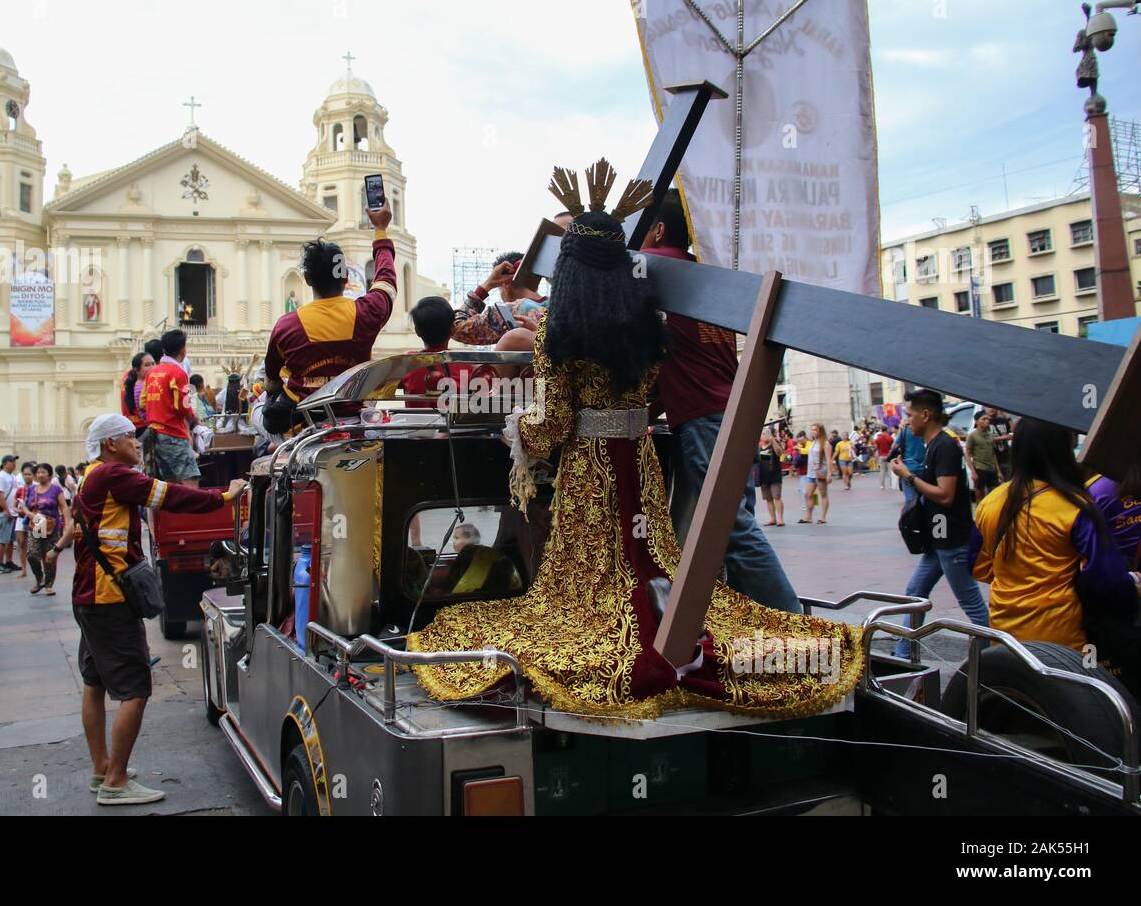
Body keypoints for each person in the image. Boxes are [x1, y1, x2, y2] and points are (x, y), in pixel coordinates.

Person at [409, 172, 858, 718]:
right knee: (648, 559)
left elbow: (552, 423)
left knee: (591, 579)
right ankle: (678, 622)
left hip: (590, 468)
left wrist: (519, 434)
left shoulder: (559, 330)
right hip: (639, 461)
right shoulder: (648, 323)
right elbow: (650, 401)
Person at [47, 414, 244, 805]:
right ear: (109, 445)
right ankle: (116, 783)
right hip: (110, 601)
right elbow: (171, 496)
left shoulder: (90, 476)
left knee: (95, 682)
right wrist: (225, 495)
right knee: (135, 689)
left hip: (88, 596)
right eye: (129, 438)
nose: (138, 443)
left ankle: (103, 767)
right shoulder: (115, 476)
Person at [642, 189, 802, 612]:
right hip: (733, 411)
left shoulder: (658, 269)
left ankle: (794, 621)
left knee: (729, 527)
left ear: (658, 230)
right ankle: (758, 621)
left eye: (640, 229)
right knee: (735, 524)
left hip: (704, 418)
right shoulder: (705, 274)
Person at [971, 418, 1141, 692]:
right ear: (1064, 449)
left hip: (1007, 637)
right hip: (1067, 643)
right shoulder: (1075, 505)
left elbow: (977, 567)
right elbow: (1106, 581)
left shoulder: (989, 503)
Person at [263, 200, 397, 435]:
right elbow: (386, 281)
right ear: (346, 278)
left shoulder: (286, 326)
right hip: (354, 415)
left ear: (307, 280)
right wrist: (380, 231)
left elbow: (271, 381)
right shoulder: (366, 313)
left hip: (303, 422)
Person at [889, 389, 987, 658]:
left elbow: (945, 495)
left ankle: (993, 659)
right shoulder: (932, 445)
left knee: (972, 604)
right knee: (915, 591)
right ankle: (904, 653)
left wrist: (908, 476)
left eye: (909, 415)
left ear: (926, 414)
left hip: (952, 541)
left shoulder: (944, 446)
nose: (907, 421)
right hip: (938, 538)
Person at [450, 251, 548, 347]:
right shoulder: (559, 306)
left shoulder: (508, 312)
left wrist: (486, 286)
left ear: (505, 285)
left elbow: (456, 328)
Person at [142, 329, 200, 485]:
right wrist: (194, 417)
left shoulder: (152, 373)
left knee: (170, 483)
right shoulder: (179, 373)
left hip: (154, 434)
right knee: (191, 480)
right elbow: (183, 407)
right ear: (183, 350)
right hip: (172, 432)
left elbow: (143, 402)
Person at [23, 463, 69, 595]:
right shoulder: (32, 489)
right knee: (32, 553)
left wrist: (67, 524)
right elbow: (25, 506)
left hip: (51, 525)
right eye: (38, 472)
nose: (40, 475)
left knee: (50, 557)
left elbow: (64, 507)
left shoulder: (55, 489)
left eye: (43, 472)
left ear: (49, 474)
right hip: (37, 524)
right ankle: (39, 579)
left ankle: (49, 584)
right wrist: (30, 514)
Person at [799, 423, 833, 524]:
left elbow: (828, 460)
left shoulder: (825, 444)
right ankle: (808, 516)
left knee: (823, 494)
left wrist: (829, 474)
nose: (813, 431)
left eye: (815, 430)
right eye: (812, 430)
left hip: (820, 472)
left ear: (820, 431)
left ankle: (823, 517)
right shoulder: (813, 442)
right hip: (810, 472)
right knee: (808, 494)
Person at [0, 455, 21, 573]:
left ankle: (9, 561)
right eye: (12, 462)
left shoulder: (12, 476)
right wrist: (7, 510)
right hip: (5, 513)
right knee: (3, 539)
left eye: (15, 462)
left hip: (13, 513)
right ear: (5, 464)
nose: (14, 464)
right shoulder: (1, 476)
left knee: (10, 540)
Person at [965, 412, 1002, 501]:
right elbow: (967, 453)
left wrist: (998, 471)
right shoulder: (972, 436)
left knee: (995, 495)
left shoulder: (990, 435)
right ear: (977, 422)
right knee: (979, 496)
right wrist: (973, 472)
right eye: (984, 419)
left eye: (988, 419)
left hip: (991, 468)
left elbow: (993, 453)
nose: (987, 421)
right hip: (980, 468)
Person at [890, 421, 927, 504]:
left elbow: (893, 446)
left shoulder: (905, 431)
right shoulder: (924, 429)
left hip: (908, 468)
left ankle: (914, 514)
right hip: (924, 467)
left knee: (911, 500)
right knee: (925, 496)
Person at [757, 430, 786, 527]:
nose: (764, 436)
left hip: (775, 476)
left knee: (776, 496)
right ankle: (773, 519)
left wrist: (773, 441)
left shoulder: (773, 446)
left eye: (766, 434)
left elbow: (779, 453)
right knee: (768, 498)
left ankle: (781, 519)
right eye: (762, 434)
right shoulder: (760, 448)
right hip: (763, 477)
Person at [121, 352, 155, 433]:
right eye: (147, 365)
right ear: (137, 370)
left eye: (153, 364)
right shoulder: (141, 386)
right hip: (144, 429)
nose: (152, 367)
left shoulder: (139, 382)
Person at [12, 462, 36, 575]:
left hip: (35, 519)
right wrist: (19, 511)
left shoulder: (37, 488)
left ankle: (38, 569)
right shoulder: (20, 490)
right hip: (21, 519)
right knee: (21, 543)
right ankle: (23, 569)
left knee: (37, 544)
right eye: (25, 474)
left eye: (29, 474)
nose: (27, 476)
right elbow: (14, 506)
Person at [874, 425, 895, 490]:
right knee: (890, 471)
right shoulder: (889, 437)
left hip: (881, 456)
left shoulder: (878, 438)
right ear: (886, 430)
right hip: (888, 455)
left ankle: (882, 485)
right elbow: (893, 446)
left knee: (882, 471)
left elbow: (876, 447)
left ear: (881, 430)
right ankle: (891, 485)